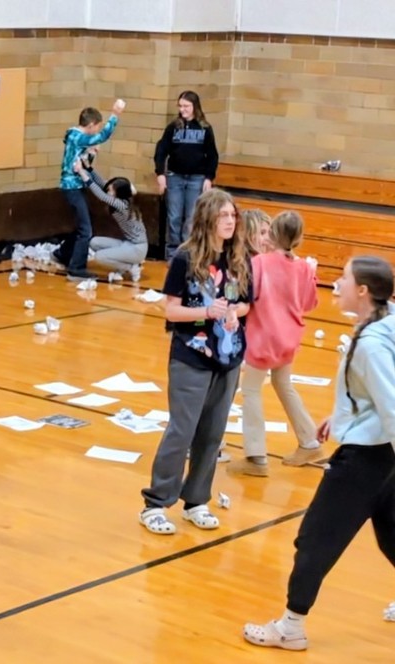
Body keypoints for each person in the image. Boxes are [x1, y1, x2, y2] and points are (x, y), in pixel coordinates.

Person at [243, 256, 395, 651]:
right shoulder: (387, 320)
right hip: (381, 456)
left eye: (343, 278)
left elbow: (392, 406)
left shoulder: (371, 346)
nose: (335, 283)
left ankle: (291, 626)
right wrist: (345, 416)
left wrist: (358, 428)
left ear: (363, 290)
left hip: (364, 461)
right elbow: (377, 396)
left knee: (314, 540)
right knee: (393, 535)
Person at [139, 189, 251, 535]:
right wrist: (206, 311)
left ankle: (196, 500)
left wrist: (233, 312)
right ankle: (156, 503)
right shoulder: (186, 258)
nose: (230, 222)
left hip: (229, 357)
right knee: (182, 430)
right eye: (223, 216)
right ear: (207, 219)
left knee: (213, 433)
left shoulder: (239, 257)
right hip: (191, 355)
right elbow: (171, 309)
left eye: (233, 215)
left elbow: (247, 303)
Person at [230, 212, 319, 477]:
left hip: (264, 338)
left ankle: (256, 457)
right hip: (289, 338)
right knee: (284, 385)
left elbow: (245, 294)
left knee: (251, 391)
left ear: (272, 234)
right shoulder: (304, 267)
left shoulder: (259, 263)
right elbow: (310, 304)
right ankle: (310, 441)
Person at [55, 100, 126, 280]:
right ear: (92, 125)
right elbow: (102, 136)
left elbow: (84, 162)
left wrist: (92, 153)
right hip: (72, 186)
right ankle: (76, 268)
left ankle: (63, 253)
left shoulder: (77, 138)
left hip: (76, 185)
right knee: (86, 230)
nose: (97, 130)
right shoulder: (77, 136)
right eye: (98, 126)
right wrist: (115, 115)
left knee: (83, 223)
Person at [154, 90, 219, 260]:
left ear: (194, 107)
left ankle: (188, 253)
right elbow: (161, 151)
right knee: (174, 216)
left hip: (196, 178)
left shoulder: (205, 128)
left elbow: (212, 155)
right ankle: (172, 254)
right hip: (175, 176)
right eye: (180, 106)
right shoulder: (173, 127)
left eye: (186, 106)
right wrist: (160, 173)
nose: (183, 109)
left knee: (191, 217)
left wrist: (209, 177)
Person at [74, 156, 146, 283]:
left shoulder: (122, 205)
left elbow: (101, 195)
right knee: (94, 242)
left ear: (119, 193)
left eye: (111, 191)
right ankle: (128, 264)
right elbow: (103, 184)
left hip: (137, 248)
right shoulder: (122, 199)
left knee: (99, 257)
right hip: (128, 244)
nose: (108, 192)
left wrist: (82, 173)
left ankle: (131, 268)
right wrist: (88, 168)